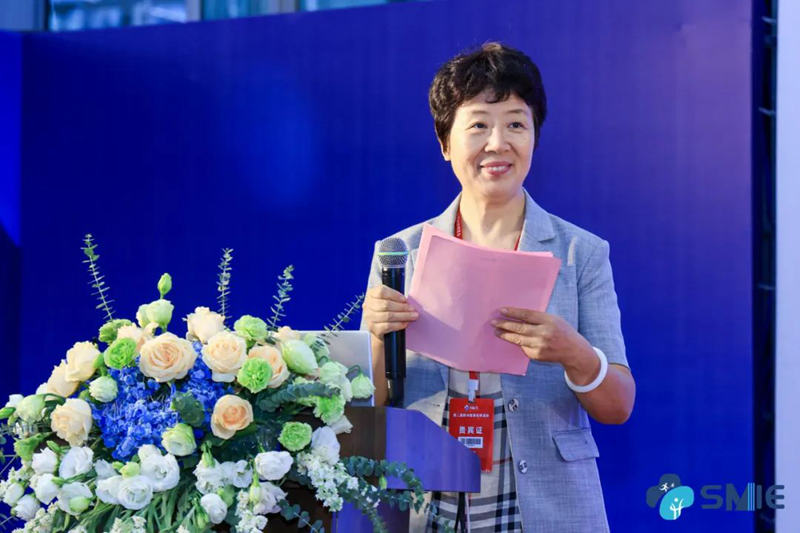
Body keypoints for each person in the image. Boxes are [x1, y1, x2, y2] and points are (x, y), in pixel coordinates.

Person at [360, 42, 636, 533]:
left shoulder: (581, 252)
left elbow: (618, 405)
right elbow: (365, 408)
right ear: (445, 143)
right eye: (478, 125)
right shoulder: (399, 253)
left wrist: (573, 352)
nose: (497, 143)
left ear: (534, 138)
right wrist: (376, 338)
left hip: (546, 505)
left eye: (515, 124)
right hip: (427, 503)